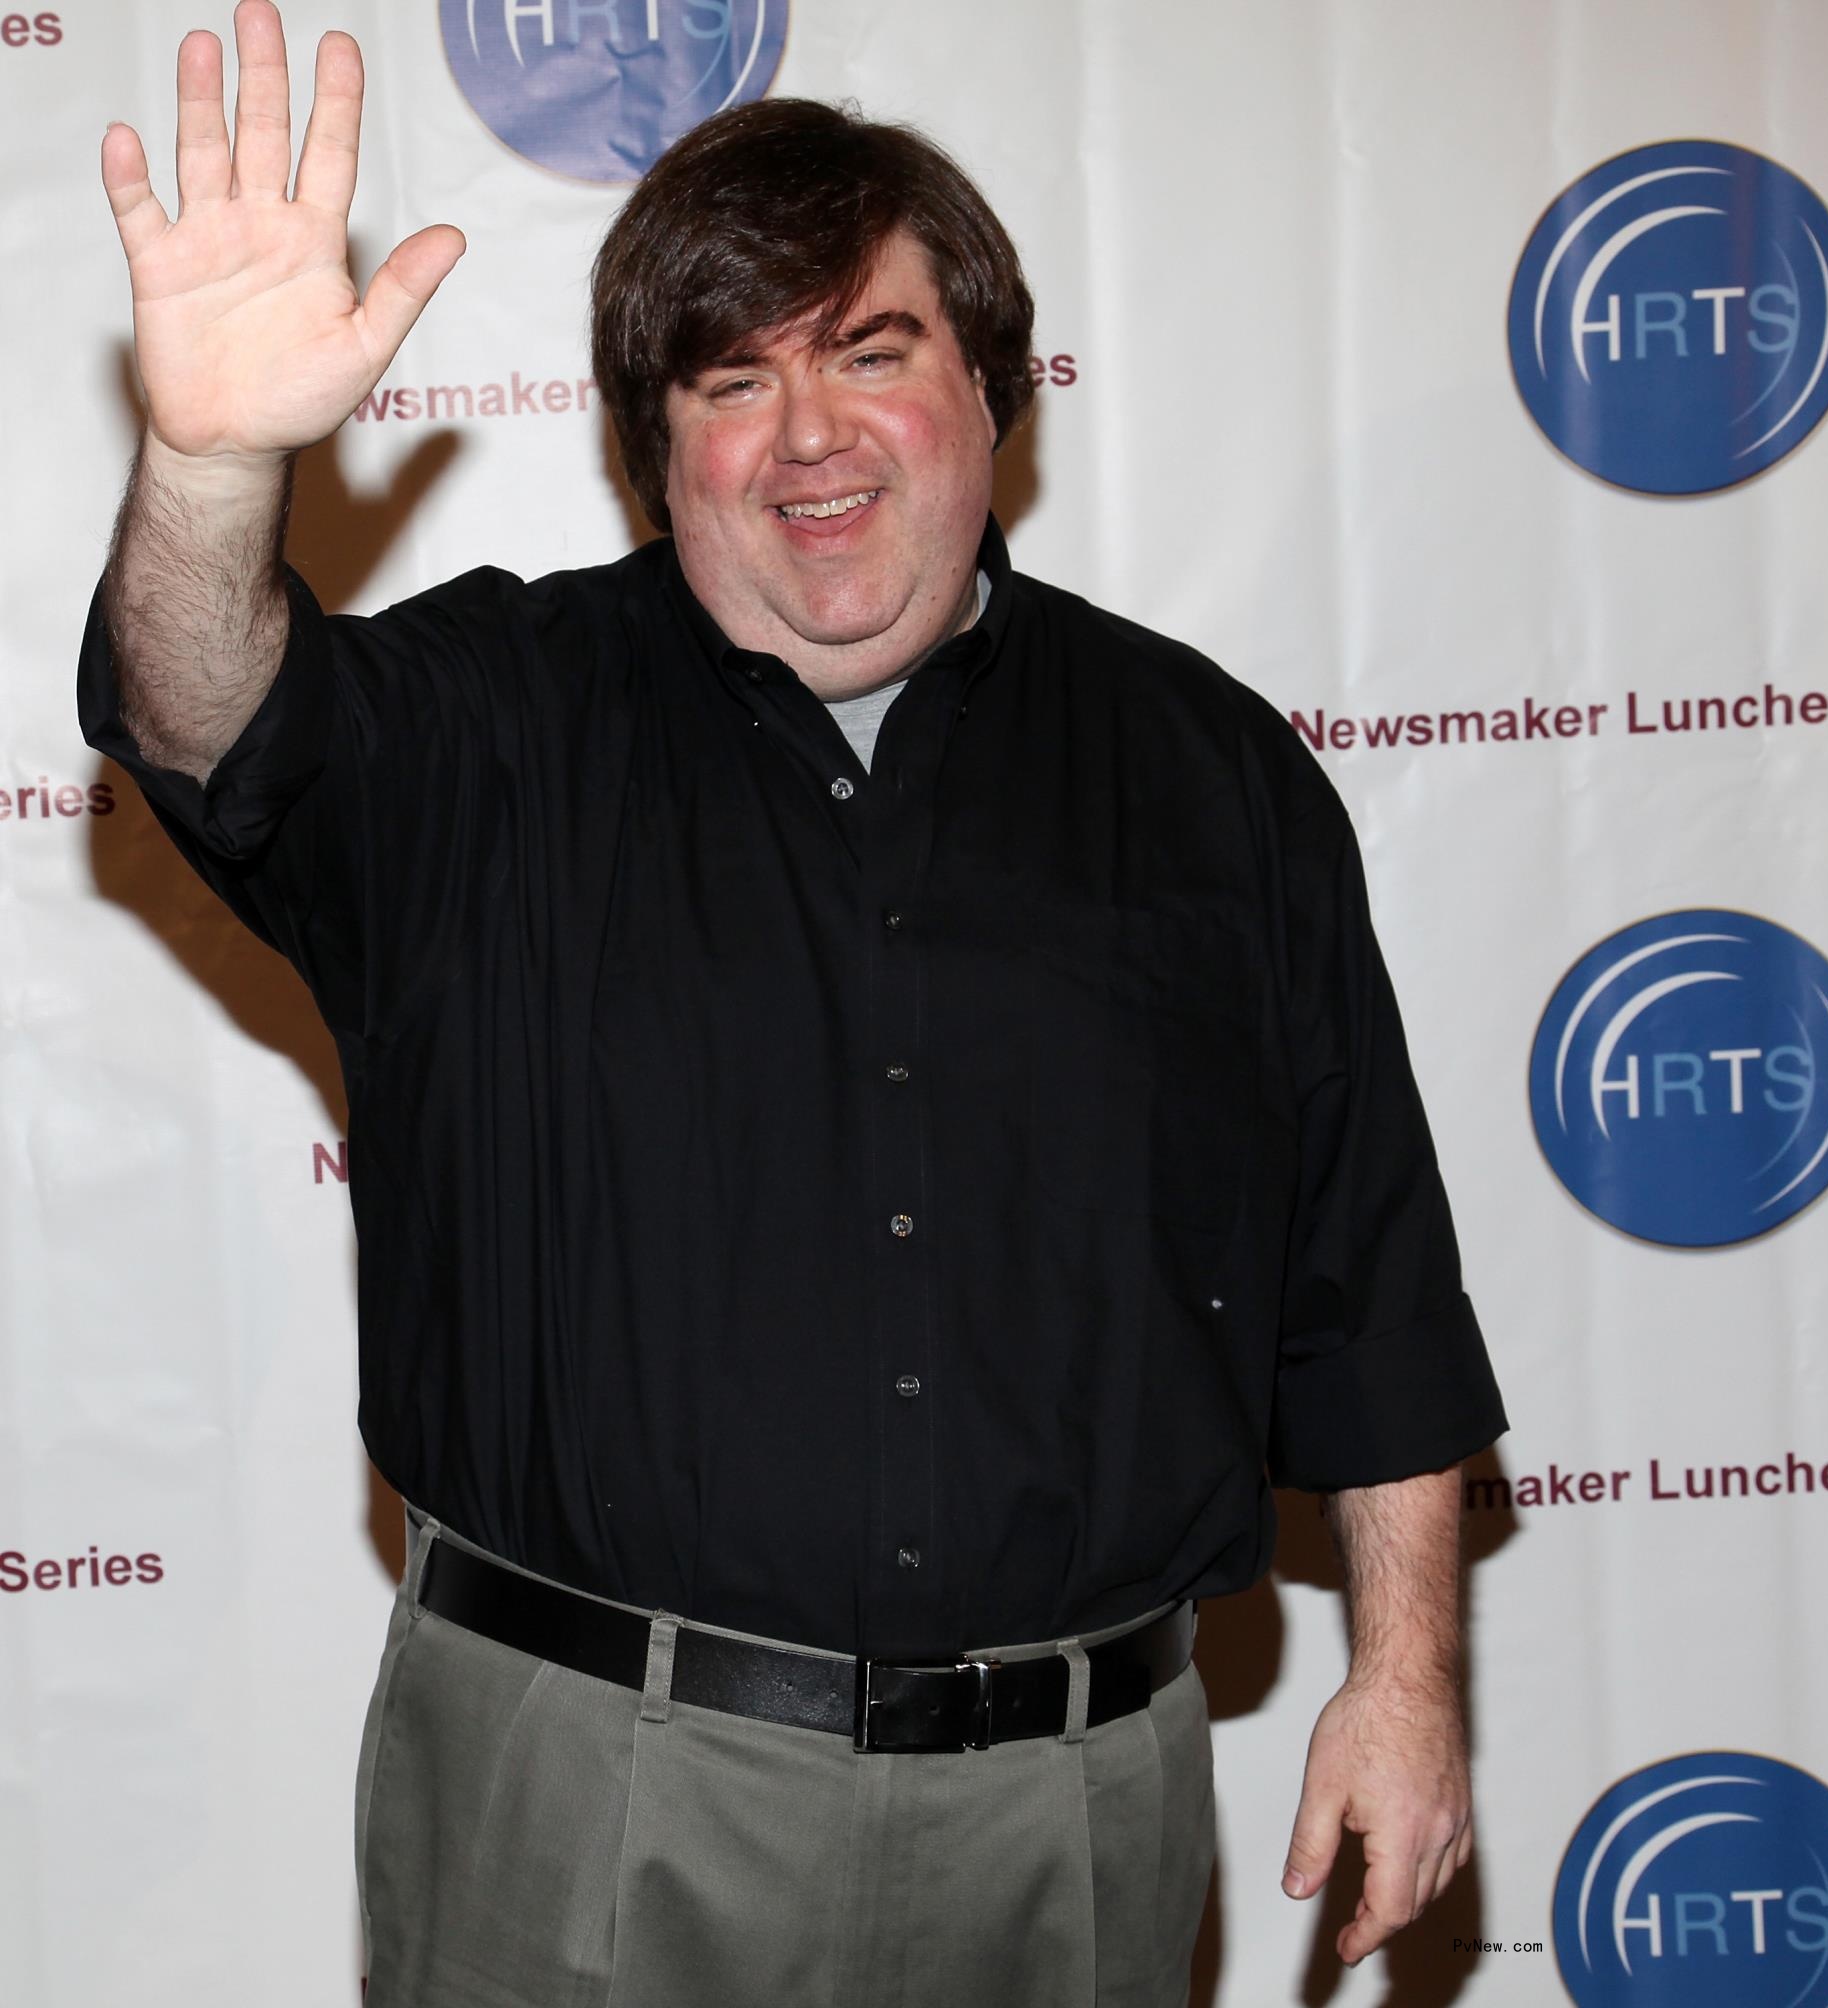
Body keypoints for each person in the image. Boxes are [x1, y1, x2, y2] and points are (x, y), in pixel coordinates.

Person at [81, 6, 1507, 2004]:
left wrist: (1406, 1673)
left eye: (873, 349)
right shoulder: (488, 729)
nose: (809, 438)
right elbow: (200, 708)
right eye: (731, 379)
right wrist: (214, 465)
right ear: (656, 447)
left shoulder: (1211, 772)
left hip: (1078, 1821)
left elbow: (1366, 1287)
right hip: (588, 1806)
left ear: (993, 385)